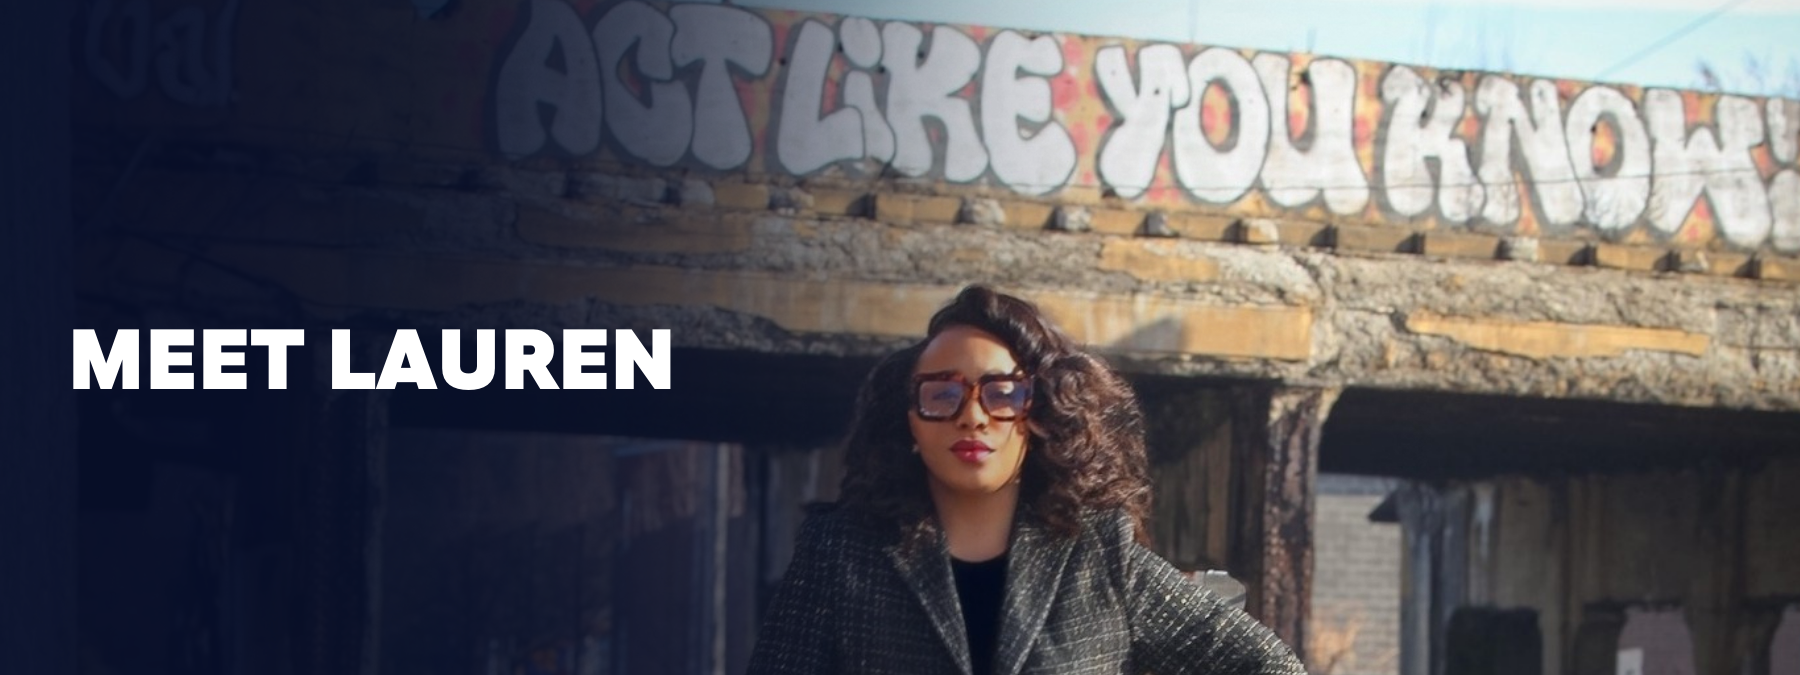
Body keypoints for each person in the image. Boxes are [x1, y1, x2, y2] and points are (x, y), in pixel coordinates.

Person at [746, 285, 1306, 675]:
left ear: (1040, 415)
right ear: (909, 422)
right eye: (942, 394)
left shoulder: (1099, 558)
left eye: (1001, 393)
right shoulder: (842, 555)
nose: (973, 415)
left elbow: (1268, 666)